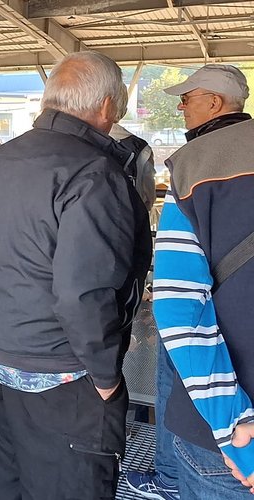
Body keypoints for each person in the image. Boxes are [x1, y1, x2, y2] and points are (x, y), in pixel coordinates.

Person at [0, 51, 149, 499]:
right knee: (72, 484)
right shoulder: (94, 171)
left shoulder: (3, 158)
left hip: (4, 354)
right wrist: (106, 376)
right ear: (107, 106)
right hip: (68, 367)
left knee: (11, 478)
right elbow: (84, 293)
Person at [148, 64, 253, 500]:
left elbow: (177, 305)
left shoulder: (196, 165)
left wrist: (233, 425)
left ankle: (166, 477)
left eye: (187, 97)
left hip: (229, 425)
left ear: (214, 102)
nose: (180, 105)